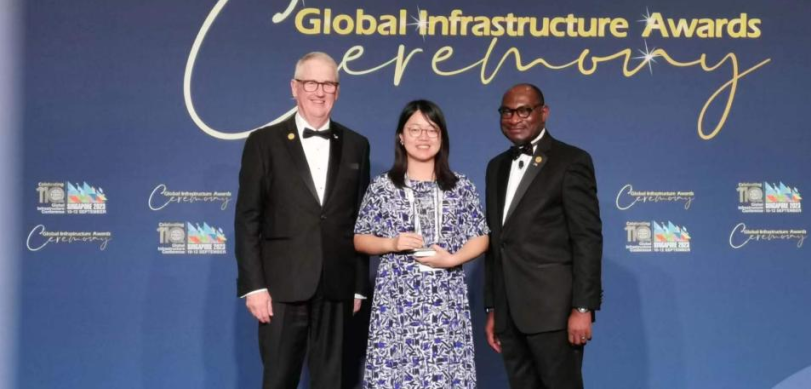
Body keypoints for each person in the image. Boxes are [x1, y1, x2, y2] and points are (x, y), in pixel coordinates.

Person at [234, 51, 371, 389]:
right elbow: (248, 218)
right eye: (311, 83)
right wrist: (254, 286)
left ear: (338, 91)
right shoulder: (263, 142)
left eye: (328, 84)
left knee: (332, 382)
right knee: (279, 380)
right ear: (294, 88)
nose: (319, 92)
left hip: (337, 288)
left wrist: (357, 285)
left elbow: (360, 221)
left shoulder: (357, 145)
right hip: (281, 287)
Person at [353, 99, 490, 389]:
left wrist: (452, 259)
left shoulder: (461, 186)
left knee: (446, 373)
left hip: (446, 299)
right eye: (414, 129)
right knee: (396, 374)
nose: (423, 137)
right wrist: (392, 243)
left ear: (442, 137)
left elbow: (481, 236)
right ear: (401, 137)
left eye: (432, 130)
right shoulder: (382, 187)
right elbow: (360, 238)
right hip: (396, 301)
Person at [484, 83, 603, 389]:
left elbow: (587, 238)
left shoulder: (571, 161)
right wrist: (494, 308)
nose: (514, 119)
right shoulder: (495, 167)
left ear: (544, 112)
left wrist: (582, 307)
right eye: (507, 112)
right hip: (510, 315)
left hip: (554, 314)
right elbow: (497, 242)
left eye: (524, 110)